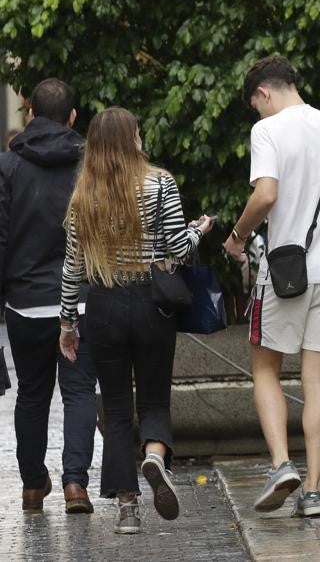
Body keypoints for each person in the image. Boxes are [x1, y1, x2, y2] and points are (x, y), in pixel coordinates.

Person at [58, 107, 213, 534]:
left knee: (117, 406)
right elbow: (179, 249)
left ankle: (127, 510)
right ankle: (155, 455)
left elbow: (72, 267)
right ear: (132, 139)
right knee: (154, 398)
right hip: (152, 305)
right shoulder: (160, 182)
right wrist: (200, 230)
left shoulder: (82, 194)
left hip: (103, 306)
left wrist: (67, 323)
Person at [223, 56, 320, 519]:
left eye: (256, 105)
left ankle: (281, 464)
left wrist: (237, 237)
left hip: (283, 276)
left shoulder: (268, 131)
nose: (258, 114)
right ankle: (314, 492)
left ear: (262, 93)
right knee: (316, 379)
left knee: (265, 371)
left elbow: (266, 195)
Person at [1, 79, 96, 514]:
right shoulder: (90, 164)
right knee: (78, 392)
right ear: (73, 117)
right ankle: (76, 483)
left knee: (33, 394)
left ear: (31, 114)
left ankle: (33, 486)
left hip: (24, 301)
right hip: (80, 299)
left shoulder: (8, 166)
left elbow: (2, 239)